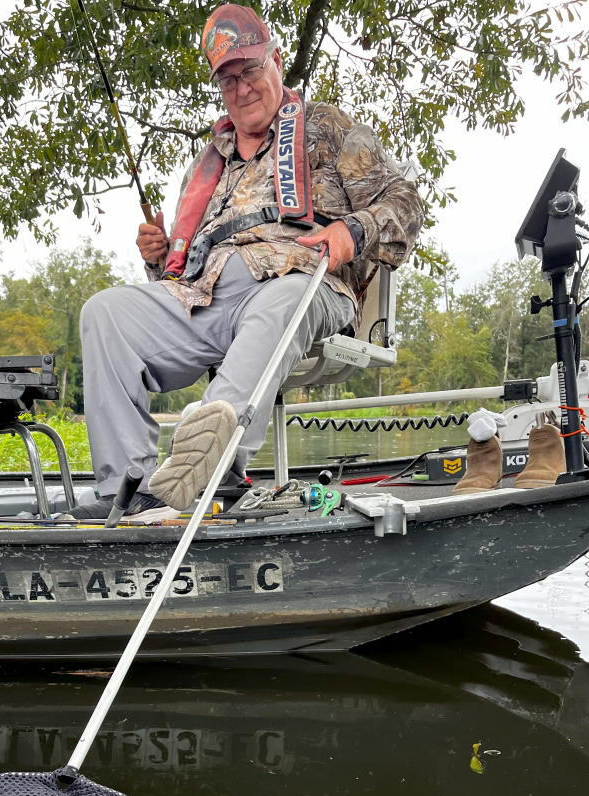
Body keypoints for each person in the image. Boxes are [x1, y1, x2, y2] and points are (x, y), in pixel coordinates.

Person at [72, 2, 423, 519]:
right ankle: (133, 492)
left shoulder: (326, 127)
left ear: (276, 61)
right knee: (103, 313)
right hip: (205, 295)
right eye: (227, 79)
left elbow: (405, 202)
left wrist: (353, 231)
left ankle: (211, 465)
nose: (242, 88)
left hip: (303, 276)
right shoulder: (210, 162)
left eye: (251, 70)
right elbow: (183, 272)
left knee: (280, 299)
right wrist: (158, 259)